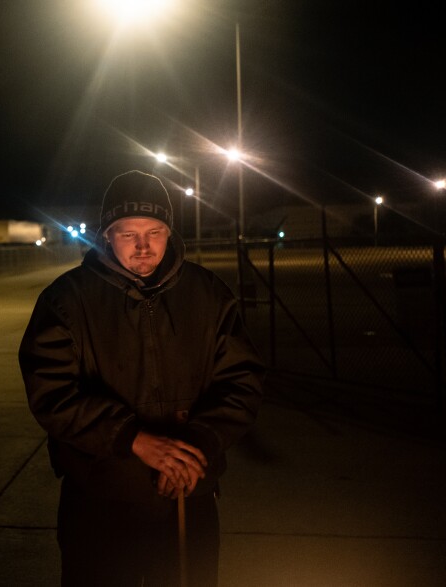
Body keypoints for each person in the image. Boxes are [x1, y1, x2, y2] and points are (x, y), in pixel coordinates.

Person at [18, 169, 265, 587]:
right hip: (101, 501)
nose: (144, 246)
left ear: (169, 232)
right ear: (106, 235)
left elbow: (242, 381)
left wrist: (197, 445)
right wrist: (133, 439)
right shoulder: (65, 300)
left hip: (189, 496)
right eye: (128, 233)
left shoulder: (209, 293)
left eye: (155, 231)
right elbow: (51, 394)